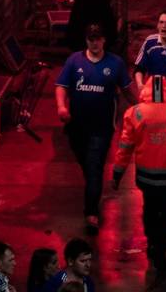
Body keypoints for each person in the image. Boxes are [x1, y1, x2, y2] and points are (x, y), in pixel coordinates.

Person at [111, 73, 166, 274]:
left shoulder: (134, 113)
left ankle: (151, 240)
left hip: (146, 178)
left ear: (147, 90)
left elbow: (125, 147)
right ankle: (160, 249)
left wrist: (117, 174)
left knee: (149, 208)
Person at [56, 24, 129, 232]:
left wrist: (143, 107)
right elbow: (61, 86)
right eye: (91, 39)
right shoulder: (74, 61)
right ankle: (93, 191)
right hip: (77, 127)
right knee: (88, 167)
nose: (94, 43)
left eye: (97, 39)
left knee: (95, 166)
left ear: (104, 40)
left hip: (102, 128)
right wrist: (61, 107)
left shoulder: (115, 64)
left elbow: (127, 90)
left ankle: (91, 213)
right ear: (86, 40)